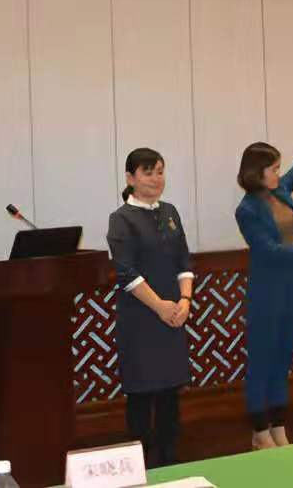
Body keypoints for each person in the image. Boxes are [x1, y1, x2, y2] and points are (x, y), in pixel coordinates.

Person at [235, 104, 293, 451]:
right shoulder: (246, 209)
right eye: (273, 168)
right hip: (266, 291)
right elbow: (267, 250)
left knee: (283, 360)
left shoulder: (282, 190)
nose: (279, 172)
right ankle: (259, 431)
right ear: (257, 172)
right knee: (262, 361)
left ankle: (278, 426)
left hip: (292, 287)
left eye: (277, 167)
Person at [106, 148, 194, 468]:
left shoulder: (170, 212)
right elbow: (126, 273)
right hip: (141, 319)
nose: (156, 179)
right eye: (148, 172)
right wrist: (159, 306)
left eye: (160, 171)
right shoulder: (121, 219)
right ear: (130, 178)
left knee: (170, 396)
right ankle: (140, 469)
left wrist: (184, 301)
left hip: (173, 315)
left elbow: (184, 261)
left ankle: (171, 465)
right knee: (141, 398)